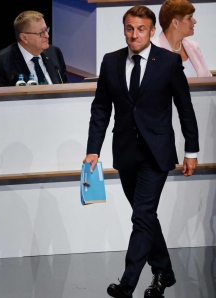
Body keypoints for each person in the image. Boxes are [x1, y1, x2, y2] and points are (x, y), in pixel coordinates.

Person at [83, 6, 199, 298]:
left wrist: (192, 151)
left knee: (142, 215)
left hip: (157, 153)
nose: (134, 35)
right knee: (145, 215)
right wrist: (92, 150)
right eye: (130, 28)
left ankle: (127, 284)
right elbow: (100, 109)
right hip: (125, 152)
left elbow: (185, 110)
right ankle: (164, 272)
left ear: (151, 31)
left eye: (141, 29)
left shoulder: (169, 62)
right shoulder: (110, 62)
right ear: (124, 29)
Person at [0, 11, 68, 87]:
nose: (47, 35)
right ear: (24, 38)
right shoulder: (1, 61)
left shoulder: (54, 52)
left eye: (46, 30)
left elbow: (66, 88)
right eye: (41, 33)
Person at [153, 0, 212, 77]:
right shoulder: (153, 51)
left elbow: (207, 79)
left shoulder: (194, 46)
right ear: (175, 23)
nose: (194, 21)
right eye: (189, 18)